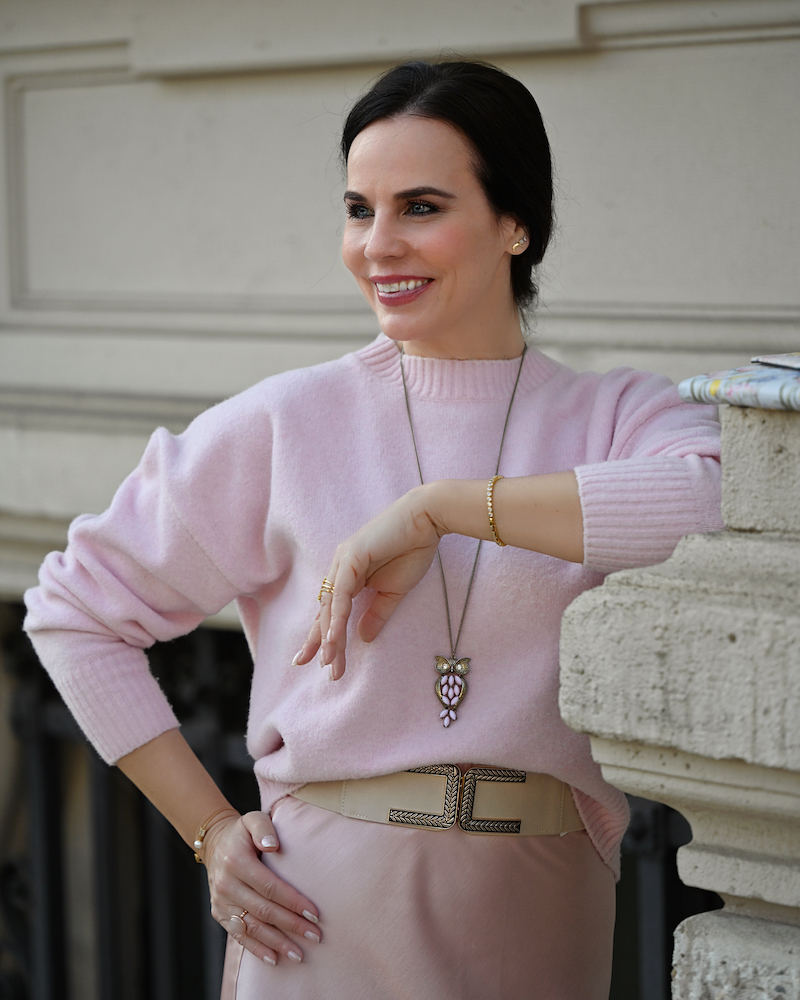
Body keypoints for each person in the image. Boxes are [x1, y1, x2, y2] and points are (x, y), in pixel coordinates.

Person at [23, 60, 723, 999]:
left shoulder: (614, 415)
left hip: (542, 904)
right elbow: (72, 610)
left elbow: (716, 505)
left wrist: (443, 508)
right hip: (321, 911)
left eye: (420, 207)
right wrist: (211, 830)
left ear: (516, 223)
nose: (378, 246)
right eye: (359, 210)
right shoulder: (286, 422)